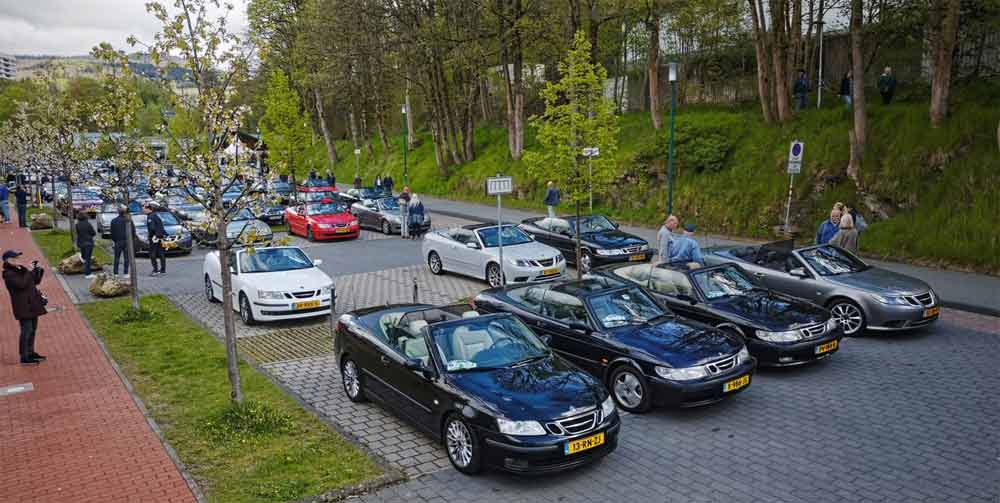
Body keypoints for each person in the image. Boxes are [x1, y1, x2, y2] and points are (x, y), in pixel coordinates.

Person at [3, 250, 47, 365]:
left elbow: (34, 281)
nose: (18, 260)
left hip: (32, 305)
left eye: (18, 257)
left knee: (33, 330)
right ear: (8, 260)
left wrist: (37, 270)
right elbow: (21, 284)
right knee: (26, 331)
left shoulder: (21, 270)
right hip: (23, 307)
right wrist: (28, 272)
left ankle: (31, 352)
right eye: (16, 258)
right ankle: (24, 356)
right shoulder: (8, 274)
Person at [144, 204, 167, 276]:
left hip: (154, 238)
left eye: (144, 209)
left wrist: (151, 235)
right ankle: (163, 270)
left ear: (148, 209)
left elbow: (152, 228)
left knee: (152, 254)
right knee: (161, 254)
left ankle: (155, 270)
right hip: (160, 237)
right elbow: (161, 226)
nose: (143, 210)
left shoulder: (150, 217)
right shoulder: (156, 215)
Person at [75, 212, 97, 279]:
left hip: (81, 243)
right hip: (89, 243)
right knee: (88, 259)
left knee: (84, 257)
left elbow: (77, 233)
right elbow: (93, 233)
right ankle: (88, 274)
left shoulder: (77, 225)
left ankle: (83, 263)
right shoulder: (88, 224)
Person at [110, 206, 130, 277]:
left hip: (118, 241)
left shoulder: (113, 221)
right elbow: (132, 231)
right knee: (126, 258)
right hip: (126, 241)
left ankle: (116, 273)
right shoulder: (128, 220)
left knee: (116, 257)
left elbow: (112, 233)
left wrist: (114, 240)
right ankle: (126, 273)